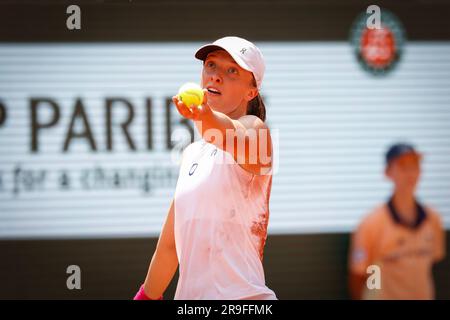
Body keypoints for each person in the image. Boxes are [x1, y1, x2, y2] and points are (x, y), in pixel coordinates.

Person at [134, 36, 277, 300]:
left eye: (232, 70)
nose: (216, 76)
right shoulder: (191, 154)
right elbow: (169, 247)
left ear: (251, 91)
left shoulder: (257, 132)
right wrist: (145, 298)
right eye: (211, 65)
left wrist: (205, 116)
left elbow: (223, 133)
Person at [348, 143, 446, 299]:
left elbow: (431, 264)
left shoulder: (433, 220)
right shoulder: (372, 224)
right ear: (388, 172)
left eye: (414, 165)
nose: (410, 173)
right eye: (403, 166)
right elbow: (364, 273)